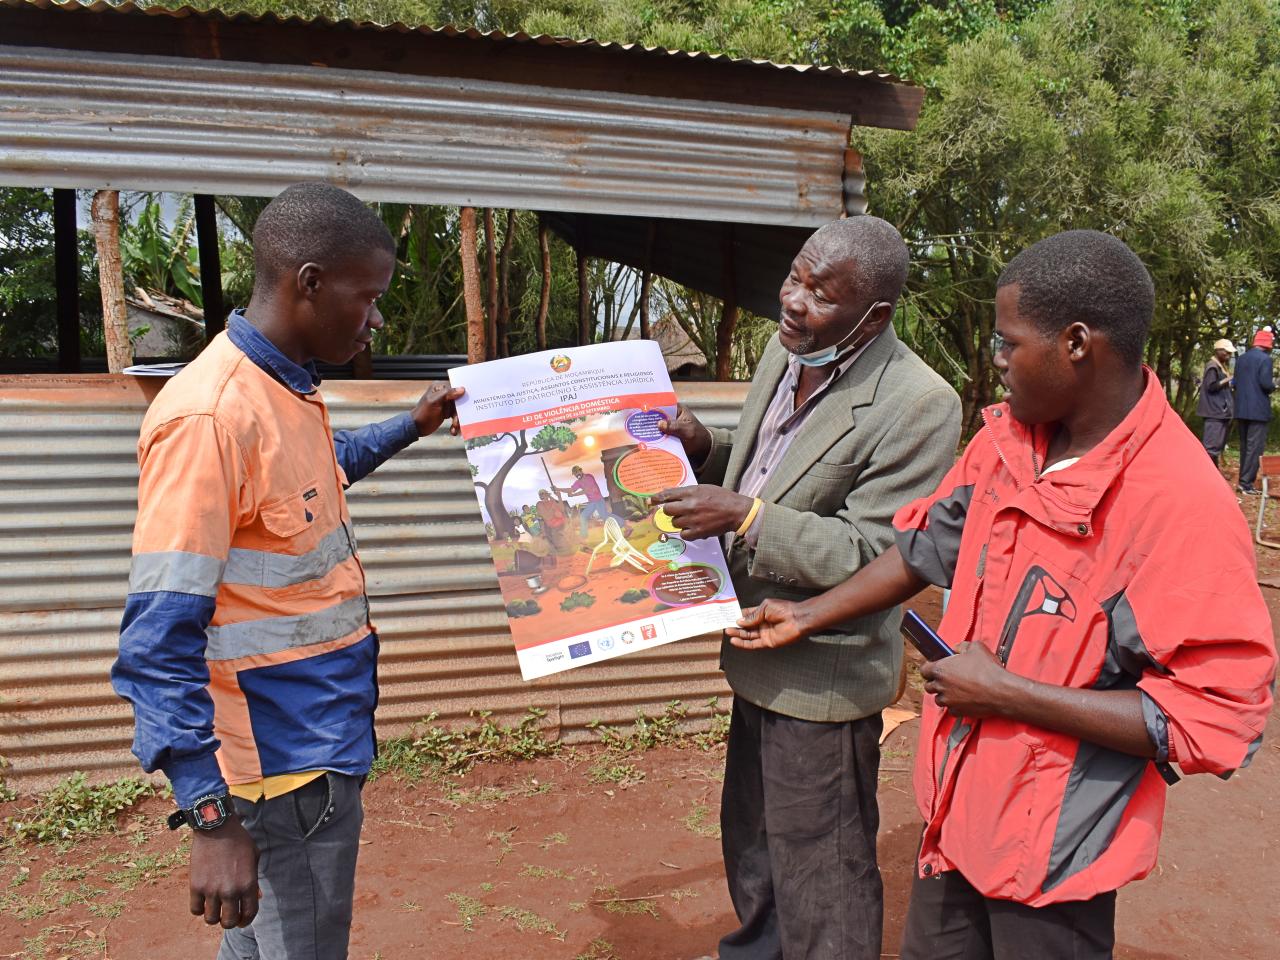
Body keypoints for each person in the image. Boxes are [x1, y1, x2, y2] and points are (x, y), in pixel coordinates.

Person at [729, 230, 1276, 960]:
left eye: (1007, 343)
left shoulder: (1179, 504)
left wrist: (1009, 694)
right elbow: (923, 551)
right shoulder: (1007, 444)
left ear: (1076, 344)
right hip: (956, 818)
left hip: (1057, 852)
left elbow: (1214, 720)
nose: (994, 361)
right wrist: (807, 613)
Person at [111, 182, 464, 960]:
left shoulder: (286, 387)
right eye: (367, 297)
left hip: (318, 741)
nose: (376, 318)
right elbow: (156, 639)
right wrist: (210, 818)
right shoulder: (210, 417)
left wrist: (412, 424)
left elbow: (316, 475)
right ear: (308, 282)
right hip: (277, 774)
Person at [652, 216, 962, 960]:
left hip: (824, 671)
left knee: (821, 869)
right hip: (756, 650)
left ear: (875, 314)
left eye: (822, 294)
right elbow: (766, 472)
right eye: (796, 276)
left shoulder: (919, 404)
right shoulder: (786, 350)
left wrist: (748, 517)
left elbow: (879, 552)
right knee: (752, 843)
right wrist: (704, 447)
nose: (794, 300)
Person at [1233, 328, 1274, 494]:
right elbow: (1265, 383)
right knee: (1255, 448)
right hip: (1258, 410)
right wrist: (1274, 385)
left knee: (1244, 446)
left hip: (1241, 408)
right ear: (1268, 345)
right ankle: (1246, 484)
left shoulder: (1241, 359)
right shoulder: (1265, 360)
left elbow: (1235, 383)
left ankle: (1243, 481)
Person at [554, 464, 626, 539]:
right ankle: (583, 537)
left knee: (605, 516)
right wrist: (558, 489)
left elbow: (587, 490)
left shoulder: (589, 477)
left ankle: (625, 525)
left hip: (598, 500)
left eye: (577, 472)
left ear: (581, 470)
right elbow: (571, 490)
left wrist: (573, 495)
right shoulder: (578, 482)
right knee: (583, 516)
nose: (576, 474)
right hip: (592, 502)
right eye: (575, 474)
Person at [1196, 338, 1234, 467]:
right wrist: (1228, 379)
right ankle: (1207, 475)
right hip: (1214, 412)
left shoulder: (1219, 365)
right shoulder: (1212, 366)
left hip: (1219, 412)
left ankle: (1214, 474)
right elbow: (1211, 387)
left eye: (1230, 353)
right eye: (1226, 352)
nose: (1229, 356)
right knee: (1211, 448)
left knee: (1216, 447)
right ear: (1219, 351)